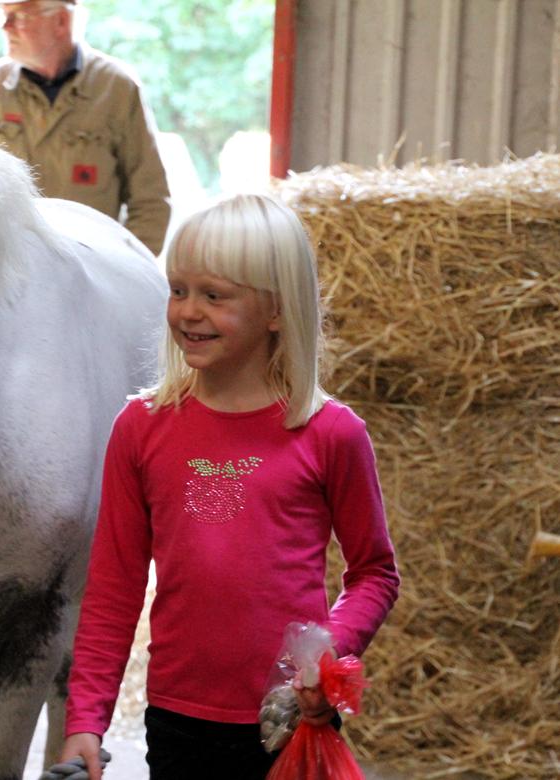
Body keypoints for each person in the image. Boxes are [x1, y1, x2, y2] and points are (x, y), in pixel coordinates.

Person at [58, 194, 401, 779]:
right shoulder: (140, 429)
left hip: (290, 720)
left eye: (214, 295)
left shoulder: (330, 434)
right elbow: (113, 588)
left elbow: (374, 573)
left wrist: (328, 656)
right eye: (178, 289)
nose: (188, 312)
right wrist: (86, 720)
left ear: (275, 309)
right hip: (177, 721)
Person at [0, 0, 171, 256]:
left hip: (94, 275)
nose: (6, 27)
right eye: (3, 15)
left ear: (61, 21)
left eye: (19, 16)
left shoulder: (116, 88)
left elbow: (150, 202)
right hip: (11, 277)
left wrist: (122, 273)